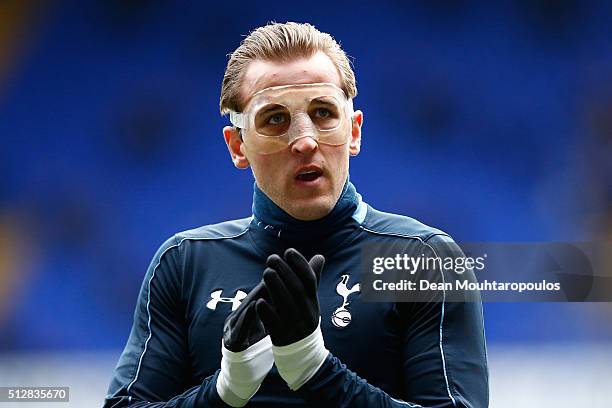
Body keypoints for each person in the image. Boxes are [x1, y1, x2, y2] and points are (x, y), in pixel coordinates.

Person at [104, 22, 488, 408]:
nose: (304, 141)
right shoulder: (185, 264)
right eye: (274, 119)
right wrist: (224, 391)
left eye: (323, 112)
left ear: (353, 132)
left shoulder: (422, 261)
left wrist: (313, 368)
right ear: (238, 145)